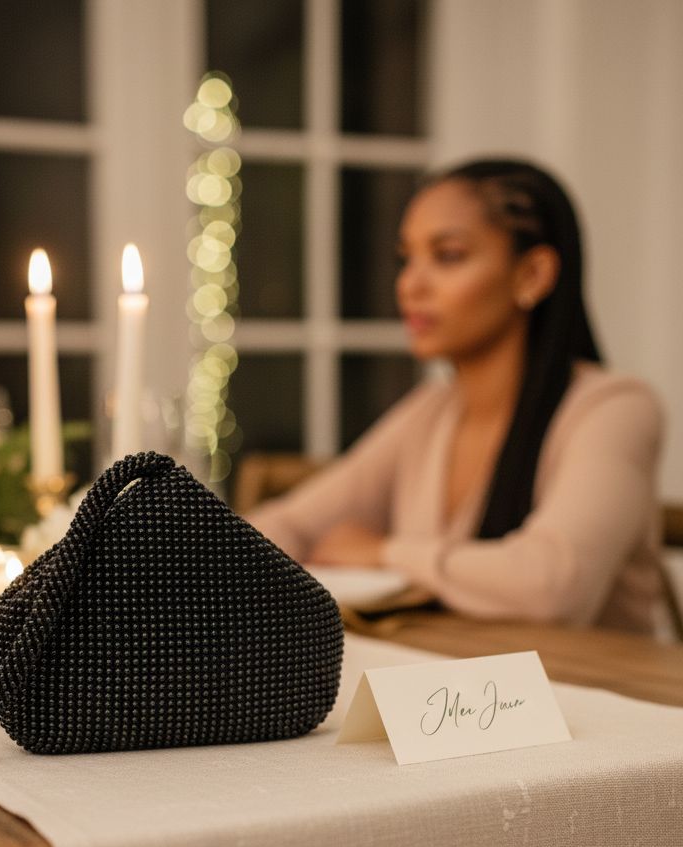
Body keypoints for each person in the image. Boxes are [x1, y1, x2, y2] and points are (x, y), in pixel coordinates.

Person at [248, 157, 664, 633]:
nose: (410, 286)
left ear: (532, 275)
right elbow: (295, 524)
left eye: (448, 256)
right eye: (407, 259)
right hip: (465, 697)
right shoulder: (429, 412)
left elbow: (554, 585)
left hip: (604, 700)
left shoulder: (614, 409)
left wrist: (382, 552)